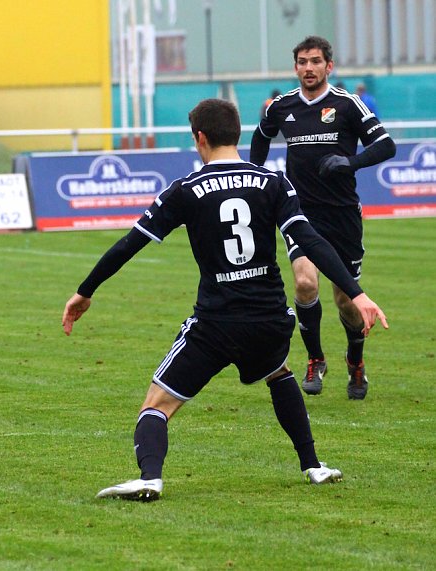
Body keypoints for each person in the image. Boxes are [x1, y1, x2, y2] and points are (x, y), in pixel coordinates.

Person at [62, 98, 388, 502]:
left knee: (157, 404)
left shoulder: (185, 190)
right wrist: (356, 293)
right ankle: (314, 466)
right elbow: (310, 241)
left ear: (200, 137)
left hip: (216, 323)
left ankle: (149, 477)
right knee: (278, 371)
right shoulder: (273, 182)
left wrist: (85, 291)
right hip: (270, 319)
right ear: (237, 133)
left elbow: (129, 245)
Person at [250, 36, 396, 400]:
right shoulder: (281, 107)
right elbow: (261, 137)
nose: (308, 68)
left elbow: (386, 145)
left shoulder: (347, 105)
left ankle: (355, 362)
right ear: (295, 66)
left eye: (315, 61)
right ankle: (315, 358)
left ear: (329, 66)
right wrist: (255, 177)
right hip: (300, 213)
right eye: (302, 62)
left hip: (343, 215)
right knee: (304, 284)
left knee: (346, 301)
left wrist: (350, 161)